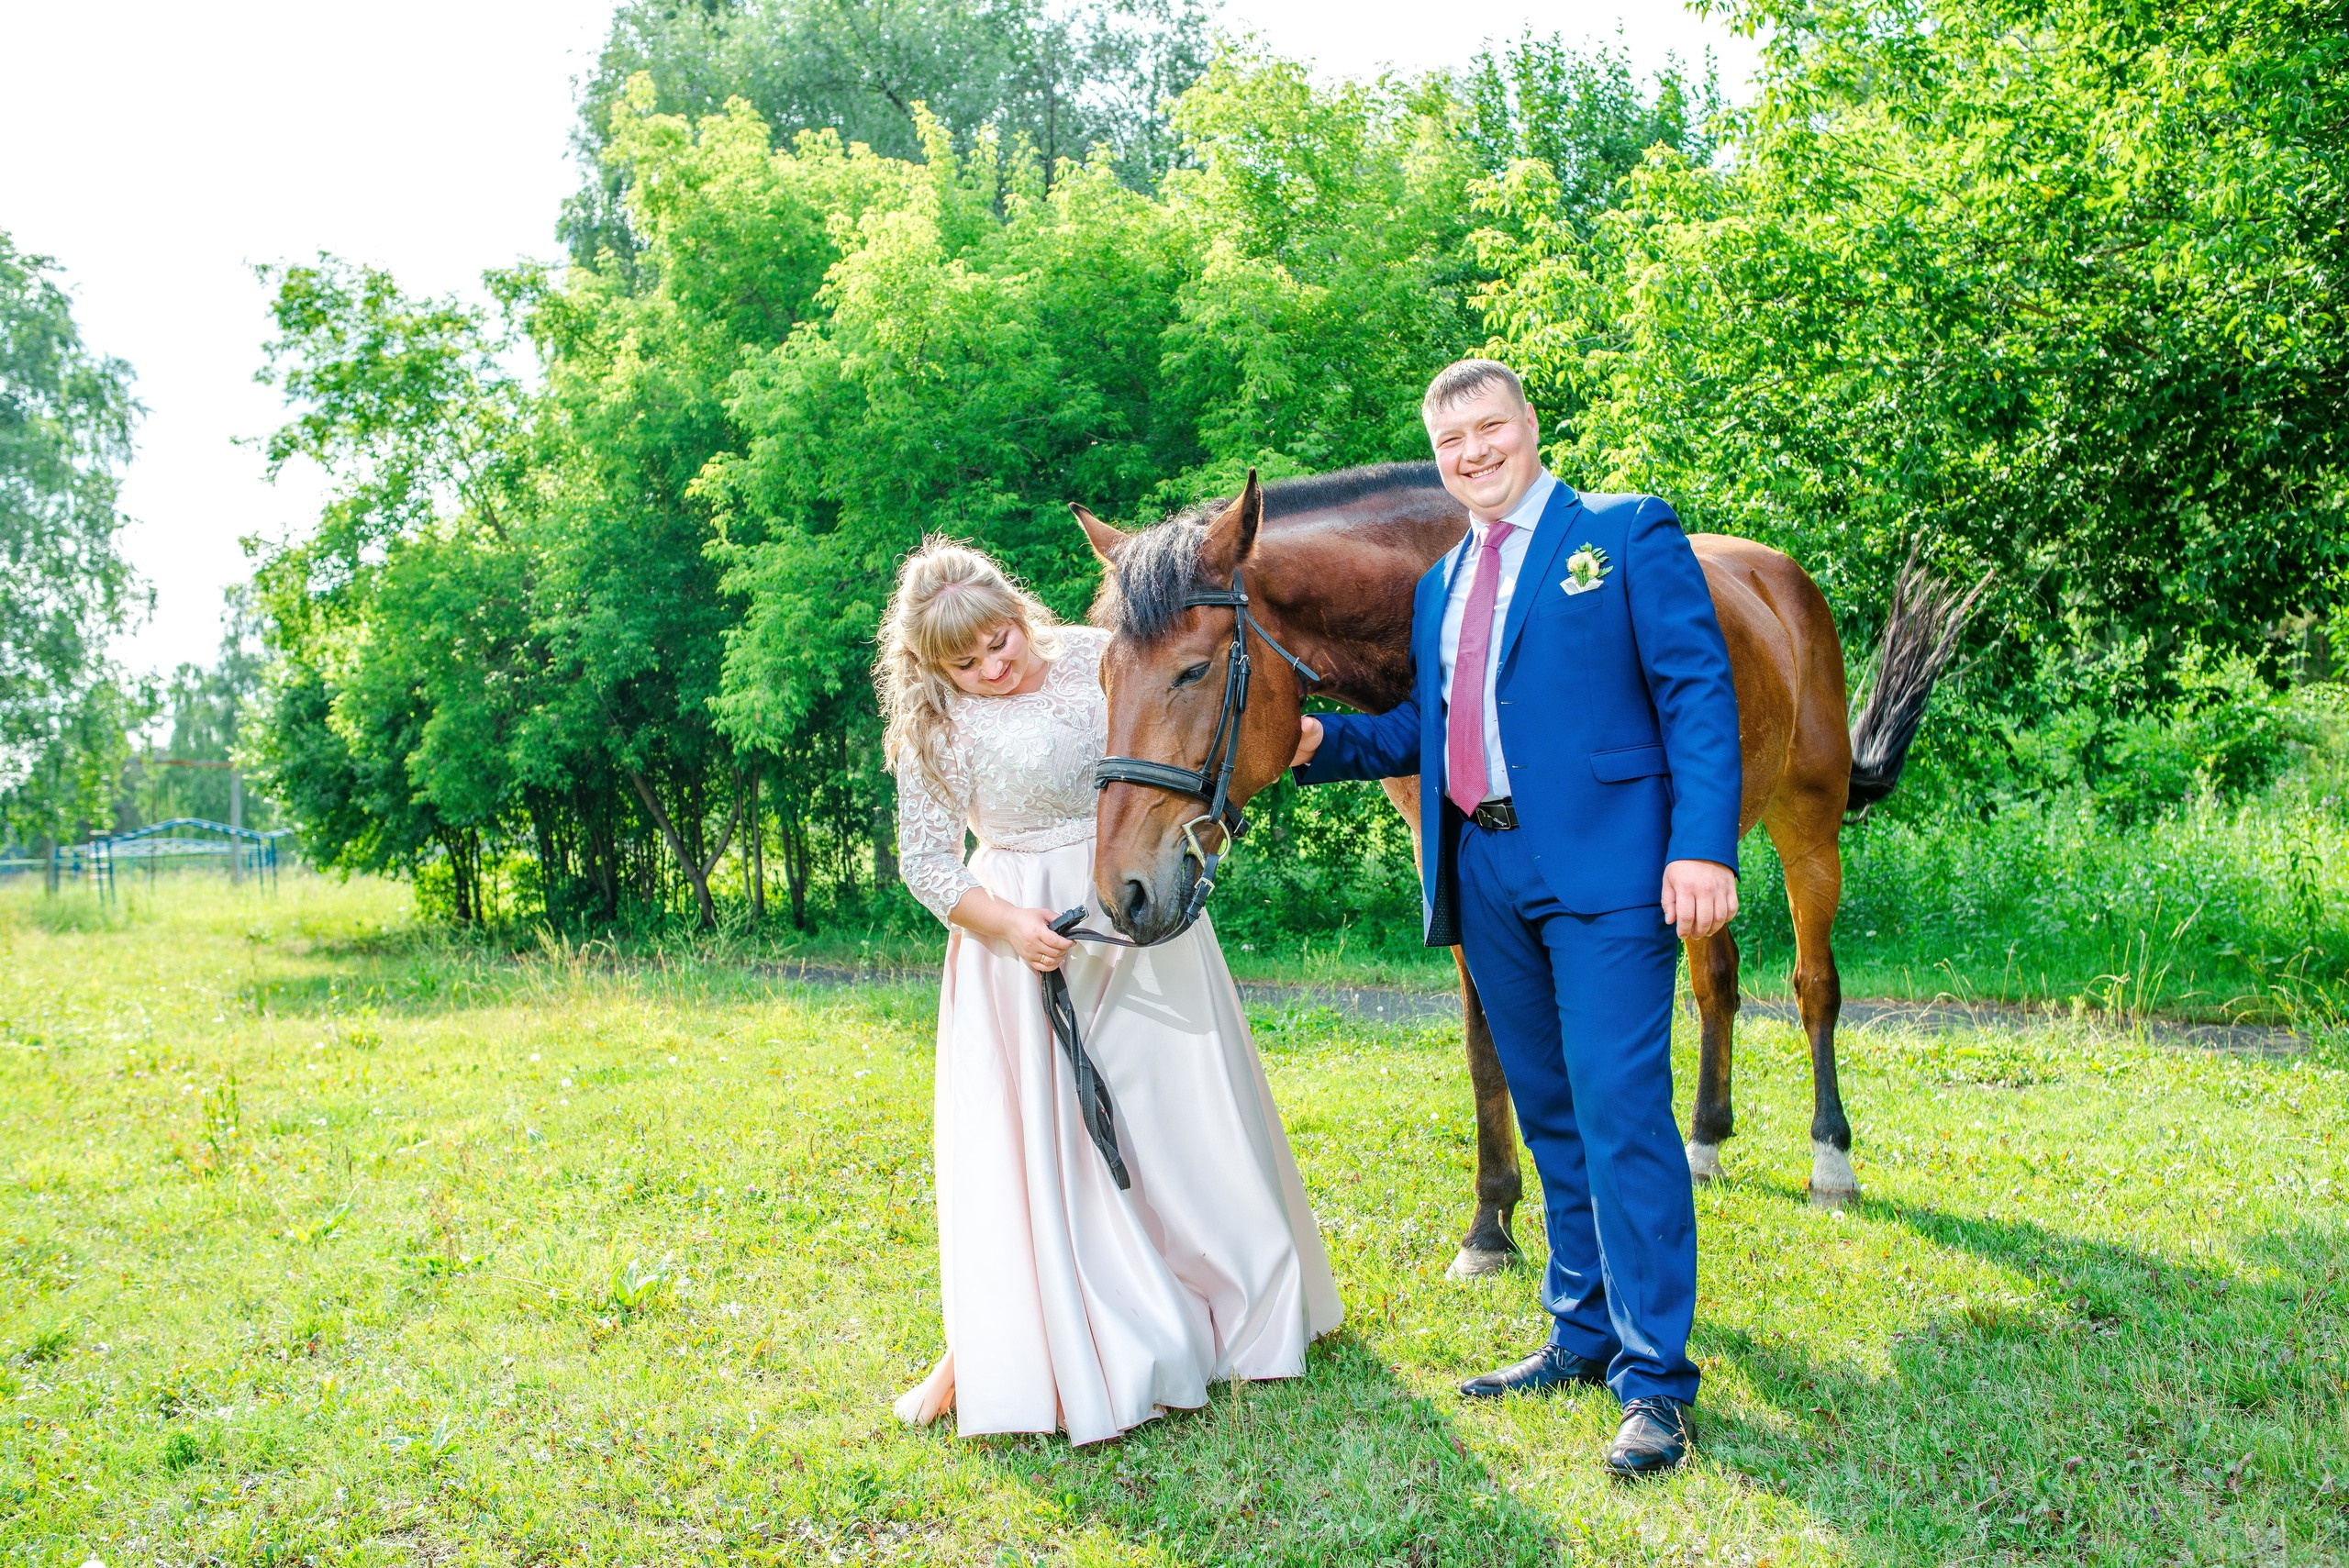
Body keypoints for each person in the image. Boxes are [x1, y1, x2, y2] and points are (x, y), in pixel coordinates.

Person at [1289, 360, 1742, 1478]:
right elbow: (1421, 733)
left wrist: (1701, 845)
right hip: (1483, 874)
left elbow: (1696, 691)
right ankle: (1580, 1331)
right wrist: (1316, 745)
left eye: (1489, 428)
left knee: (1621, 1110)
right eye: (1450, 441)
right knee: (1549, 1113)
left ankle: (1656, 1384)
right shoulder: (1441, 580)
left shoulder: (1627, 533)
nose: (1472, 452)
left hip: (1610, 874)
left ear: (1530, 425)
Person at [879, 539, 1342, 1447]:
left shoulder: (1097, 658)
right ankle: (1112, 1319)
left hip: (1139, 907)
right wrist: (1009, 927)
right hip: (1027, 938)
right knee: (1072, 1141)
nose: (992, 665)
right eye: (965, 662)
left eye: (1000, 640)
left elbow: (1180, 732)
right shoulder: (932, 729)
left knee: (1180, 1109)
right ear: (934, 666)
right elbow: (926, 865)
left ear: (1019, 610)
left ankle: (1237, 1294)